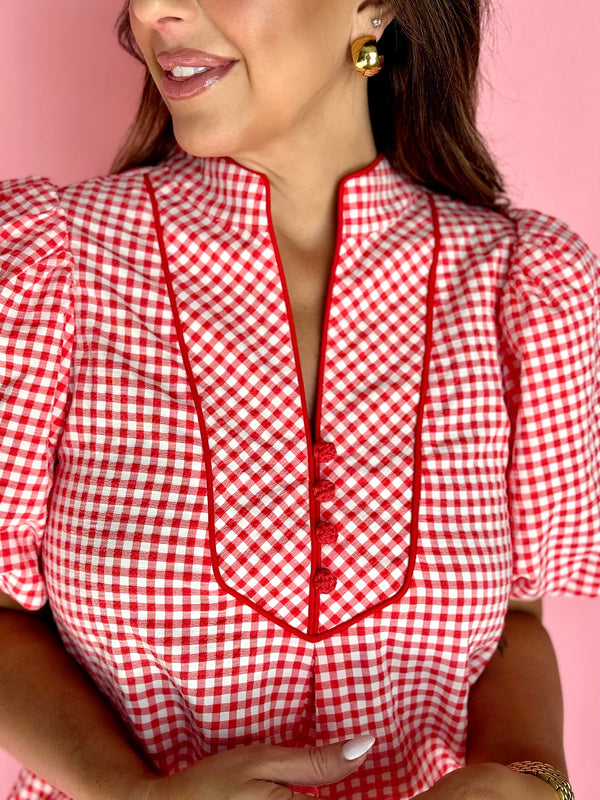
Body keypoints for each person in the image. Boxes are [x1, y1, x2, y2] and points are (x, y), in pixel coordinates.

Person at [0, 1, 598, 799]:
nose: (153, 10)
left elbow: (517, 623)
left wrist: (529, 778)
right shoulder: (45, 266)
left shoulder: (524, 288)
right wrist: (130, 791)